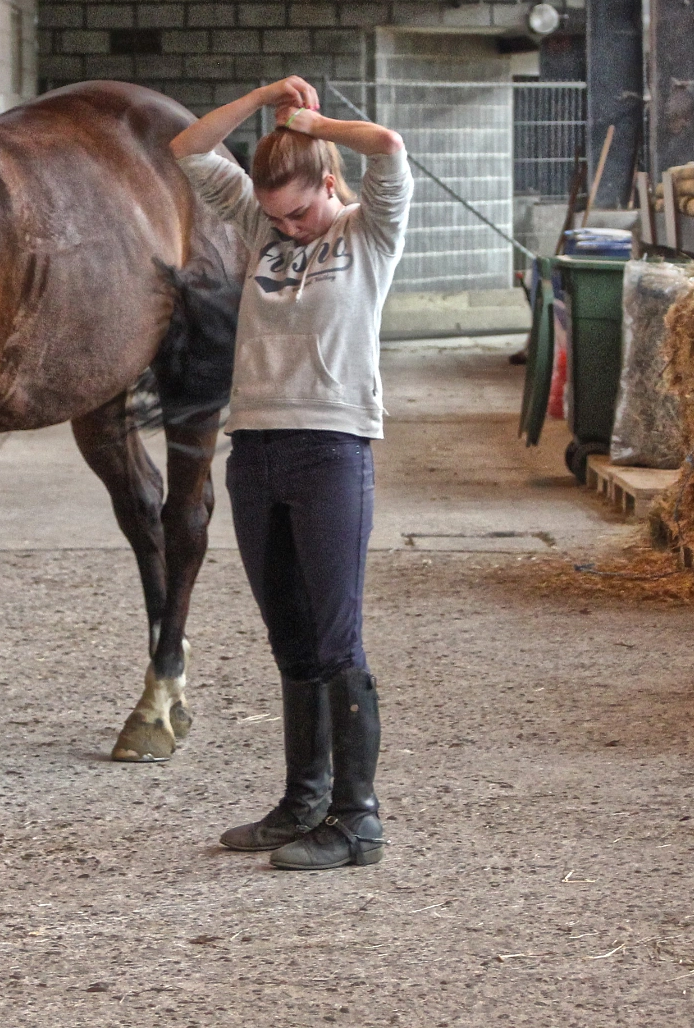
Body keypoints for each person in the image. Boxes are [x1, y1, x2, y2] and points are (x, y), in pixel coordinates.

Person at [169, 76, 412, 871]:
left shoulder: (368, 235)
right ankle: (302, 801)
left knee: (338, 637)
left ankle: (357, 819)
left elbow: (391, 147)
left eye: (299, 212)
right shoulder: (263, 228)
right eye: (274, 216)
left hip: (331, 448)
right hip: (257, 449)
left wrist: (316, 122)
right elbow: (188, 148)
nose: (285, 226)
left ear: (329, 186)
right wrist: (262, 95)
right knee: (290, 638)